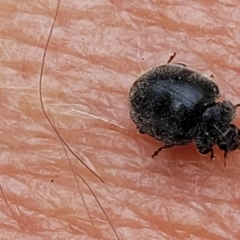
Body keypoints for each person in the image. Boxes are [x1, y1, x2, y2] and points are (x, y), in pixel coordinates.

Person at [1, 1, 240, 239]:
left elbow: (179, 92)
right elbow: (163, 133)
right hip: (150, 95)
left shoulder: (206, 93)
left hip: (156, 87)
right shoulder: (186, 131)